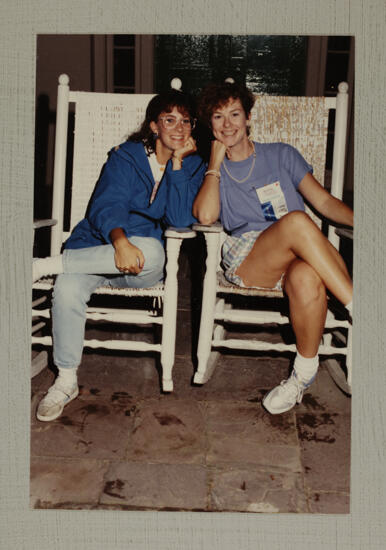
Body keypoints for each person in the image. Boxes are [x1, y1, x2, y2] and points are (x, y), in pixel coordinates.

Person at [33, 89, 205, 422]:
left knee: (154, 251)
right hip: (97, 248)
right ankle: (66, 380)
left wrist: (178, 165)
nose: (179, 128)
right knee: (66, 288)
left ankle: (45, 266)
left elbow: (182, 220)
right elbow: (105, 205)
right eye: (169, 120)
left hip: (143, 266)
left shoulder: (192, 165)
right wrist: (120, 241)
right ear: (154, 126)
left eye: (185, 121)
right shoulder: (126, 156)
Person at [193, 81, 353, 415]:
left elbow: (323, 202)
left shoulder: (281, 154)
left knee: (308, 275)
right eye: (218, 117)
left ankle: (300, 377)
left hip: (301, 251)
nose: (228, 124)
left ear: (248, 117)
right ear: (211, 125)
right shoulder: (211, 170)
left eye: (235, 114)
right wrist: (214, 163)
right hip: (251, 258)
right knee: (295, 220)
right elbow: (206, 215)